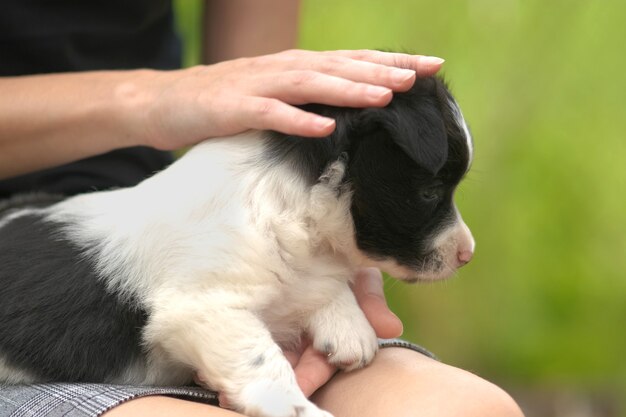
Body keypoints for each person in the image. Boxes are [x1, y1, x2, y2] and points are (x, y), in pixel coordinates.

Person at [0, 1, 525, 416]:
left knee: (473, 409)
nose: (465, 246)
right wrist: (150, 99)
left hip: (135, 204)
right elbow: (196, 313)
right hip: (32, 359)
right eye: (433, 196)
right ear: (345, 171)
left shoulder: (243, 213)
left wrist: (323, 279)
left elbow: (263, 103)